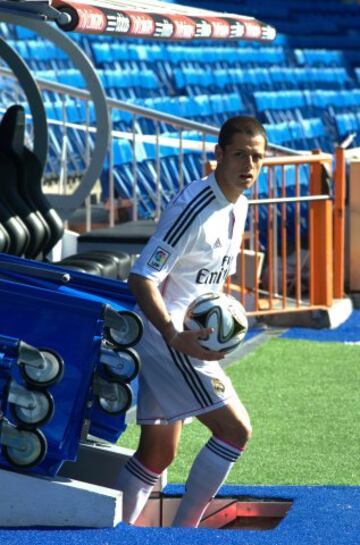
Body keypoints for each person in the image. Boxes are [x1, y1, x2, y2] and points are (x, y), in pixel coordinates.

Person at [116, 115, 267, 528]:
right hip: (169, 339)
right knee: (235, 431)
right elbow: (142, 277)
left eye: (256, 157)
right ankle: (185, 532)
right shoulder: (193, 206)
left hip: (192, 338)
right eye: (239, 155)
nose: (248, 165)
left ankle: (120, 532)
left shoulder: (241, 203)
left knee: (157, 455)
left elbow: (207, 273)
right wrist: (173, 334)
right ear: (217, 155)